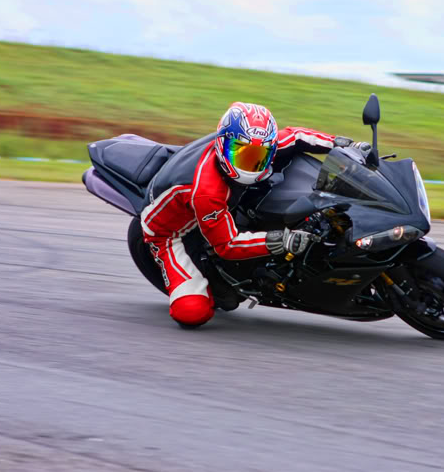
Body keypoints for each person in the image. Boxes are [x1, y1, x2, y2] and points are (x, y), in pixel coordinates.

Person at [140, 102, 366, 327]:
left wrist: (343, 144)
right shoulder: (207, 192)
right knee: (192, 313)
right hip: (168, 234)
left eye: (258, 155)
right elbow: (227, 245)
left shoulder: (259, 142)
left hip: (213, 205)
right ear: (222, 144)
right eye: (241, 154)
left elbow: (296, 136)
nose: (250, 165)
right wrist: (281, 240)